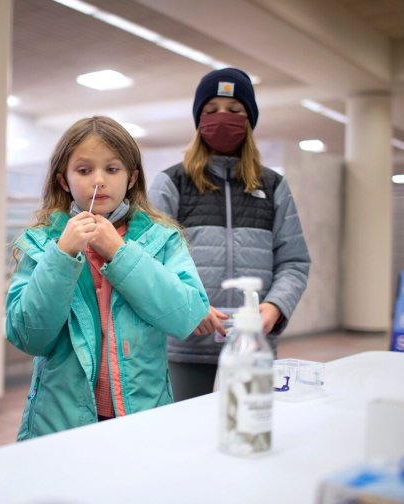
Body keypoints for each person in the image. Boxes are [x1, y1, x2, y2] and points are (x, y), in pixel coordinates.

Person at [5, 116, 209, 440]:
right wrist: (62, 254)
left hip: (141, 421)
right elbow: (28, 336)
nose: (98, 180)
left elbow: (187, 315)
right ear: (63, 180)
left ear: (132, 178)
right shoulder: (43, 243)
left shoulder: (162, 238)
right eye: (84, 170)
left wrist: (120, 253)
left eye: (112, 169)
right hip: (60, 425)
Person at [147, 67, 310, 400]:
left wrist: (275, 307)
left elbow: (294, 262)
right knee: (185, 439)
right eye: (211, 111)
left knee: (248, 430)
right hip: (186, 345)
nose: (222, 118)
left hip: (253, 342)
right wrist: (185, 308)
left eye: (234, 111)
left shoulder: (273, 186)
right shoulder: (172, 183)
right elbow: (150, 261)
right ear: (198, 120)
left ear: (249, 120)